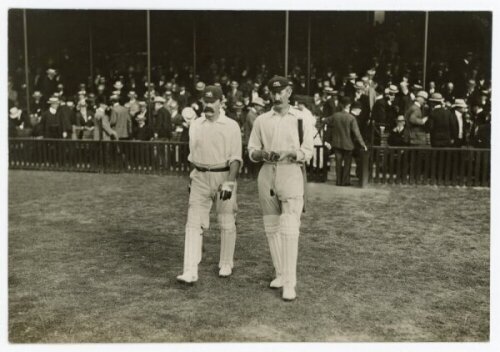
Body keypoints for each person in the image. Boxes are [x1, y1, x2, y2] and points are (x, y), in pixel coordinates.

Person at [247, 76, 314, 301]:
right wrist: (262, 154)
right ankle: (280, 273)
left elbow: (308, 151)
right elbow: (252, 150)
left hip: (291, 171)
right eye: (273, 92)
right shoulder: (262, 120)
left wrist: (291, 153)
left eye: (281, 92)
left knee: (289, 227)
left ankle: (290, 283)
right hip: (267, 173)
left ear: (289, 92)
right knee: (271, 227)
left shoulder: (302, 117)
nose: (277, 96)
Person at [176, 85, 242, 284]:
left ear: (221, 102)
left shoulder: (231, 125)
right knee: (193, 223)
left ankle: (226, 262)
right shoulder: (196, 124)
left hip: (223, 177)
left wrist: (229, 183)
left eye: (213, 101)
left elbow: (236, 159)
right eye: (206, 101)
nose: (208, 105)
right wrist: (192, 178)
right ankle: (190, 270)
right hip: (200, 178)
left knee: (226, 221)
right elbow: (192, 155)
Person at [326, 96, 367, 186]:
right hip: (348, 145)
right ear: (348, 106)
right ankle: (345, 182)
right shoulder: (351, 118)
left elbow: (326, 121)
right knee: (347, 164)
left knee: (338, 163)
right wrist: (363, 144)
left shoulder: (335, 115)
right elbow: (357, 133)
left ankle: (338, 181)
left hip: (336, 144)